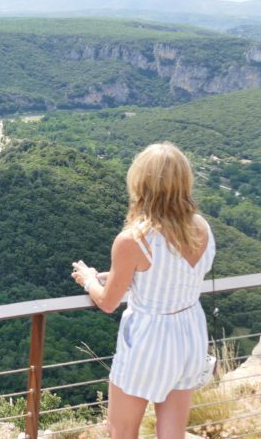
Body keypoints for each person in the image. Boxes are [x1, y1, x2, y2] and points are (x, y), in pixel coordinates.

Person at [71, 142, 215, 438]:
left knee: (122, 431)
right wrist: (116, 274)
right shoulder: (201, 227)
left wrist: (88, 279)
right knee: (172, 432)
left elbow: (108, 302)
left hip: (149, 340)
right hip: (190, 333)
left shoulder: (133, 240)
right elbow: (169, 273)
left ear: (140, 183)